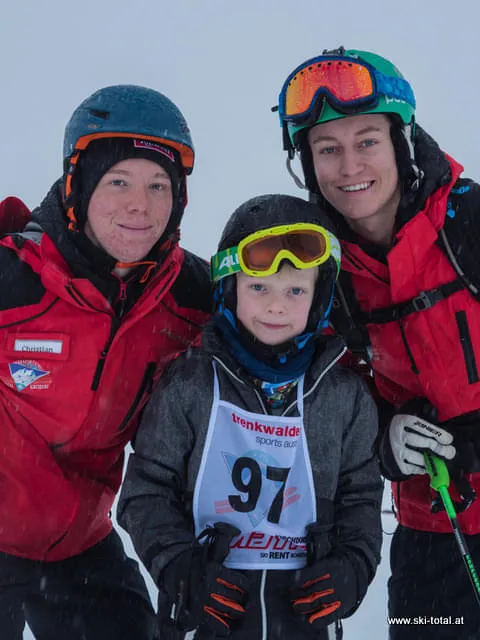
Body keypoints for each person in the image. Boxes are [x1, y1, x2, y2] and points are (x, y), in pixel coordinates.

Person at [275, 46, 480, 638]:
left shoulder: (470, 225)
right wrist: (382, 438)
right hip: (431, 535)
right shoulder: (318, 271)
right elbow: (326, 398)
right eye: (326, 148)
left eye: (366, 140)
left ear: (402, 142)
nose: (348, 166)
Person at [117, 193, 382, 640]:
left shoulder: (343, 396)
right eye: (259, 288)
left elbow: (361, 496)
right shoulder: (190, 383)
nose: (276, 306)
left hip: (302, 615)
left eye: (295, 291)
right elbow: (145, 492)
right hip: (205, 614)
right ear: (230, 288)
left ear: (319, 298)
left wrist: (353, 566)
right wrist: (180, 567)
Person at [0, 84, 211, 639]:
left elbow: (286, 327)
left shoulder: (192, 297)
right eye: (119, 181)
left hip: (82, 545)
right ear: (78, 185)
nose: (140, 205)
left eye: (158, 185)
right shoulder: (13, 279)